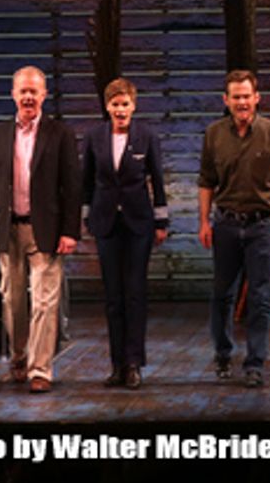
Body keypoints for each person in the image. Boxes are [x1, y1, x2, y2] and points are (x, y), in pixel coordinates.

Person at [0, 66, 80, 393]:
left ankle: (41, 370)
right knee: (13, 302)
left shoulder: (60, 134)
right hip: (8, 230)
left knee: (45, 303)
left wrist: (70, 231)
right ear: (13, 94)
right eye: (23, 91)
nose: (28, 97)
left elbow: (72, 187)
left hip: (45, 231)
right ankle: (19, 358)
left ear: (44, 95)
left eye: (34, 91)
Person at [198, 69, 270, 388]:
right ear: (226, 100)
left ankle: (255, 363)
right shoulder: (213, 134)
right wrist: (202, 221)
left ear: (257, 98)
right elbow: (206, 182)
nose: (242, 102)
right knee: (221, 295)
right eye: (235, 97)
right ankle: (223, 355)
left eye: (246, 96)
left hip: (262, 226)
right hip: (225, 224)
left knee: (260, 296)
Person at [81, 77, 167, 390]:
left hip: (139, 223)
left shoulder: (147, 136)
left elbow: (157, 180)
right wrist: (87, 217)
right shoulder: (93, 136)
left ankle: (134, 363)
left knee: (134, 293)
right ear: (107, 106)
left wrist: (161, 222)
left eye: (125, 104)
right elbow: (86, 182)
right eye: (115, 104)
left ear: (134, 105)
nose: (120, 110)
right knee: (113, 297)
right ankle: (116, 365)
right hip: (106, 223)